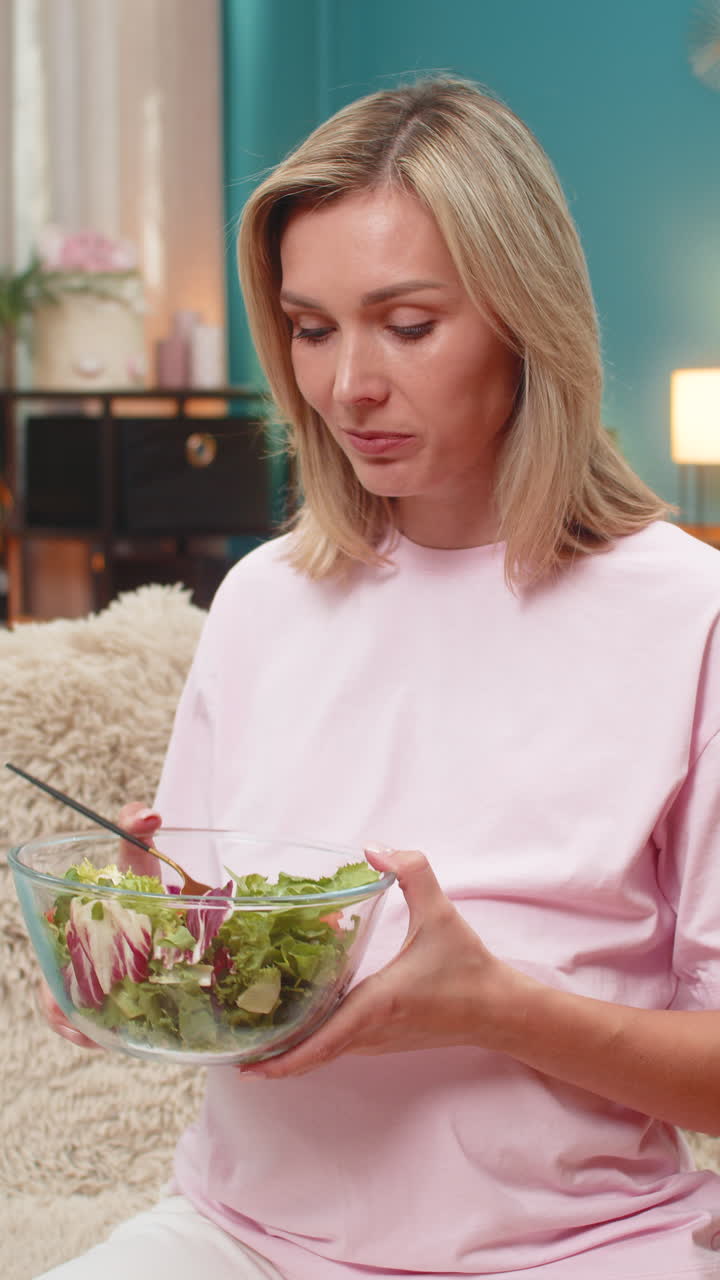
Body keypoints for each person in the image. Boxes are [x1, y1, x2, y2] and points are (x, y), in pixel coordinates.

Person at [39, 76, 720, 1279]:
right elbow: (205, 954)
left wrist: (495, 1006)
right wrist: (143, 957)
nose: (348, 383)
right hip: (242, 1236)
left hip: (583, 1247)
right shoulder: (264, 599)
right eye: (311, 328)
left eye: (407, 325)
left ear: (525, 319)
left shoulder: (688, 612)